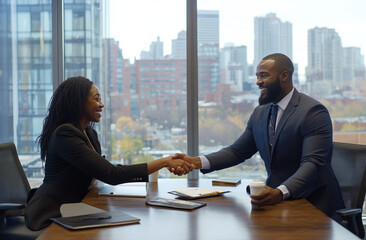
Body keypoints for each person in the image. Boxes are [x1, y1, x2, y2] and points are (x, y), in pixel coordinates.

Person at [174, 53, 344, 221]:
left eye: (264, 75)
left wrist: (280, 192)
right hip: (277, 204)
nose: (258, 82)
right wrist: (194, 162)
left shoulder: (313, 112)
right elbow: (237, 152)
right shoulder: (260, 112)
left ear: (284, 76)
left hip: (314, 206)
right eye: (257, 76)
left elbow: (312, 164)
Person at [25, 76, 193, 230]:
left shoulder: (89, 133)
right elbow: (111, 174)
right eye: (96, 99)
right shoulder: (65, 135)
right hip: (52, 214)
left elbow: (99, 172)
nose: (102, 104)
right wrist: (163, 162)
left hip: (76, 209)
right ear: (79, 102)